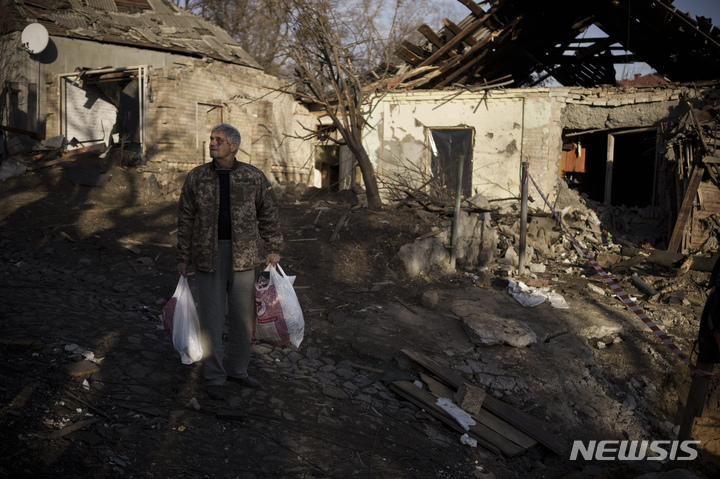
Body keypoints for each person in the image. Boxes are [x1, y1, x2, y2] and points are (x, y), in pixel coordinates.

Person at [176, 123, 282, 401]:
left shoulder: (254, 176)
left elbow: (269, 212)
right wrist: (182, 257)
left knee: (242, 319)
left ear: (233, 146)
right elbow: (185, 218)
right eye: (211, 139)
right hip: (207, 256)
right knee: (211, 319)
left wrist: (272, 247)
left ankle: (238, 370)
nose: (212, 143)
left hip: (245, 257)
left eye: (218, 140)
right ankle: (214, 376)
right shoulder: (197, 177)